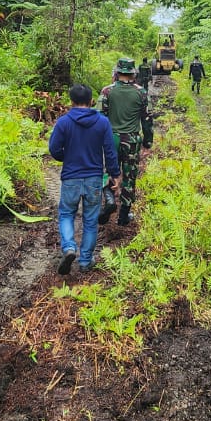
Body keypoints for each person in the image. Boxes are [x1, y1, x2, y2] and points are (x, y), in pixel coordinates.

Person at [48, 83, 121, 276]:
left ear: (71, 102)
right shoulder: (102, 122)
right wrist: (115, 175)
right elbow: (110, 151)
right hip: (93, 179)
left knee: (66, 214)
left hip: (71, 177)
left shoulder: (63, 122)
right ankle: (86, 261)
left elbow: (54, 149)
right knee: (90, 220)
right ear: (91, 101)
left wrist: (68, 156)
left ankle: (69, 247)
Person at [100, 57, 153, 226]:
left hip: (111, 139)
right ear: (133, 74)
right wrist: (147, 141)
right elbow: (147, 119)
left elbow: (100, 117)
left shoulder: (107, 91)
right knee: (129, 176)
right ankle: (124, 215)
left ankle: (109, 199)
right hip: (131, 140)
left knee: (109, 171)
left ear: (117, 72)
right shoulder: (141, 92)